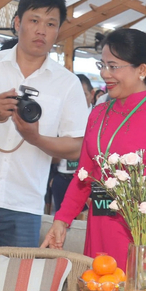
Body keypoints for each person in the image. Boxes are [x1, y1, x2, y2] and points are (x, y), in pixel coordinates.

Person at [42, 28, 146, 271]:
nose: (104, 73)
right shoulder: (99, 113)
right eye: (102, 65)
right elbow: (83, 175)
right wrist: (61, 220)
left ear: (141, 70)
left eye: (113, 66)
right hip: (100, 224)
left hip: (143, 233)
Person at [0, 0, 90, 248]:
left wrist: (36, 138)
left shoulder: (67, 83)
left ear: (58, 31)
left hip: (25, 206)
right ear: (18, 23)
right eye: (34, 21)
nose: (41, 30)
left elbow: (78, 147)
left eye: (51, 23)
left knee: (16, 287)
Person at [51, 74, 94, 212]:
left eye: (83, 95)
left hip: (90, 181)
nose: (79, 100)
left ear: (92, 94)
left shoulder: (98, 116)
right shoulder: (59, 116)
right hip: (62, 178)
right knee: (61, 220)